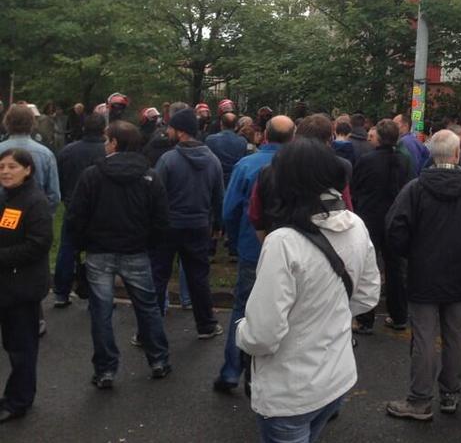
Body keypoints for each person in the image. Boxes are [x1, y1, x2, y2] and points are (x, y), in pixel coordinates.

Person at [236, 138, 380, 443]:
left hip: (291, 392)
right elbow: (368, 295)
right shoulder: (356, 226)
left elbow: (262, 335)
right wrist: (330, 313)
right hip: (337, 379)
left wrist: (240, 329)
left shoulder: (283, 242)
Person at [384, 130, 461, 420]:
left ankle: (420, 399)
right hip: (459, 271)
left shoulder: (416, 188)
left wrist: (410, 253)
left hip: (423, 271)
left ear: (432, 154)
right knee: (454, 335)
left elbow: (395, 228)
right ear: (458, 154)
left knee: (423, 336)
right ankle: (450, 394)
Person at [67, 121, 172, 388]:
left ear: (114, 143)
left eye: (106, 139)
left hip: (99, 251)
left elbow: (76, 216)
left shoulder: (92, 175)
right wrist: (150, 244)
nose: (104, 143)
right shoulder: (150, 176)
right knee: (147, 307)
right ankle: (158, 359)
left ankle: (105, 369)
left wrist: (80, 245)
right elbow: (161, 219)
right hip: (136, 250)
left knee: (101, 311)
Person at [214, 116, 295, 394]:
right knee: (287, 312)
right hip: (291, 252)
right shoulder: (299, 168)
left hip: (253, 249)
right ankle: (270, 374)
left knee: (243, 310)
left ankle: (230, 372)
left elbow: (229, 210)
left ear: (264, 136)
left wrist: (236, 242)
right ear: (293, 138)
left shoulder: (247, 165)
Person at [152, 108, 224, 339]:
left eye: (171, 128)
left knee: (158, 276)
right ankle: (206, 325)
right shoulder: (213, 160)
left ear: (181, 132)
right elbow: (218, 196)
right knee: (198, 277)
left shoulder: (168, 159)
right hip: (199, 225)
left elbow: (156, 194)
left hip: (168, 226)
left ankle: (149, 331)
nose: (168, 132)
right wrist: (218, 225)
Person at [0, 149, 52, 423]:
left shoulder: (34, 201)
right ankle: (14, 394)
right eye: (2, 167)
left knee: (22, 347)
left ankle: (19, 401)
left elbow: (39, 243)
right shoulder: (8, 198)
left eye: (12, 167)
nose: (6, 172)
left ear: (27, 170)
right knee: (12, 344)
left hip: (23, 287)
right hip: (6, 286)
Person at [350, 118, 410, 333]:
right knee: (396, 268)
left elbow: (355, 187)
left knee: (369, 268)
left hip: (371, 218)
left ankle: (366, 319)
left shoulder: (367, 160)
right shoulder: (404, 161)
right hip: (396, 219)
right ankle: (399, 315)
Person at [52, 112, 107, 307]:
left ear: (84, 128)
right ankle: (98, 295)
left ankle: (61, 292)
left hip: (72, 206)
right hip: (100, 210)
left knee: (67, 249)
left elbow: (59, 178)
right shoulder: (107, 151)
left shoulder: (68, 151)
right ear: (104, 130)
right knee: (99, 252)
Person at [0, 105, 61, 214]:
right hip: (35, 214)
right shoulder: (46, 154)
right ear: (32, 123)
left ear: (7, 122)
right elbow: (54, 194)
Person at [206, 112, 248, 186]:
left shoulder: (210, 140)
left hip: (215, 180)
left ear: (221, 124)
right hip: (234, 180)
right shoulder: (243, 141)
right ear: (236, 126)